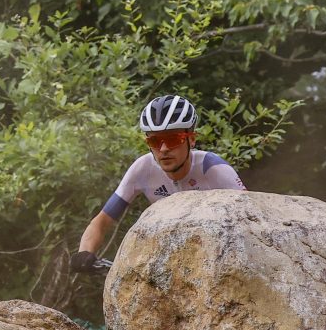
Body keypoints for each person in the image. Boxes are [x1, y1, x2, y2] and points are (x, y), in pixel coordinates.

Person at [70, 94, 246, 271]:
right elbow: (101, 222)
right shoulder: (143, 168)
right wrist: (84, 252)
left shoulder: (213, 168)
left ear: (191, 139)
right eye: (154, 141)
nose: (163, 149)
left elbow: (251, 218)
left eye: (173, 139)